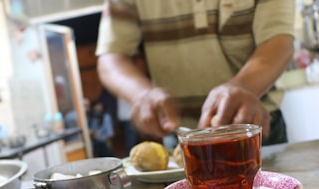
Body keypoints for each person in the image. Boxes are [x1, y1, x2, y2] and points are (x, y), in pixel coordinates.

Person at [96, 0, 295, 146]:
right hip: (182, 137)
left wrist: (242, 86)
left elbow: (279, 43)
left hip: (254, 131)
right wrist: (142, 95)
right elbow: (110, 59)